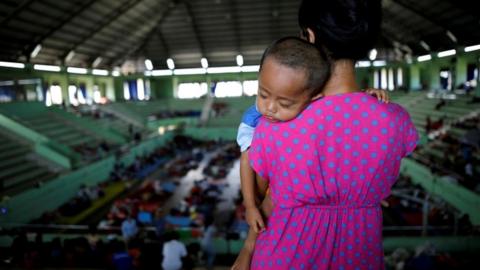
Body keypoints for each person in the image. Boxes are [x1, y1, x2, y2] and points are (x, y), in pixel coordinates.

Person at [233, 0, 418, 269]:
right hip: (359, 256)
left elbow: (262, 196)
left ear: (309, 35)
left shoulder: (277, 125)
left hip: (285, 257)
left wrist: (248, 249)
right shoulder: (395, 119)